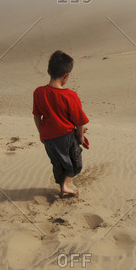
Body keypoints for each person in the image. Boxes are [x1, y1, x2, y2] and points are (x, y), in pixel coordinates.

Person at [33, 51, 89, 197]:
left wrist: (41, 133)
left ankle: (62, 186)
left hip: (48, 137)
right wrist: (81, 136)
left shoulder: (38, 92)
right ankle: (65, 185)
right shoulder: (70, 95)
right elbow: (79, 120)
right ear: (67, 75)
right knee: (75, 163)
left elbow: (37, 115)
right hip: (66, 136)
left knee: (57, 162)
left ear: (48, 72)